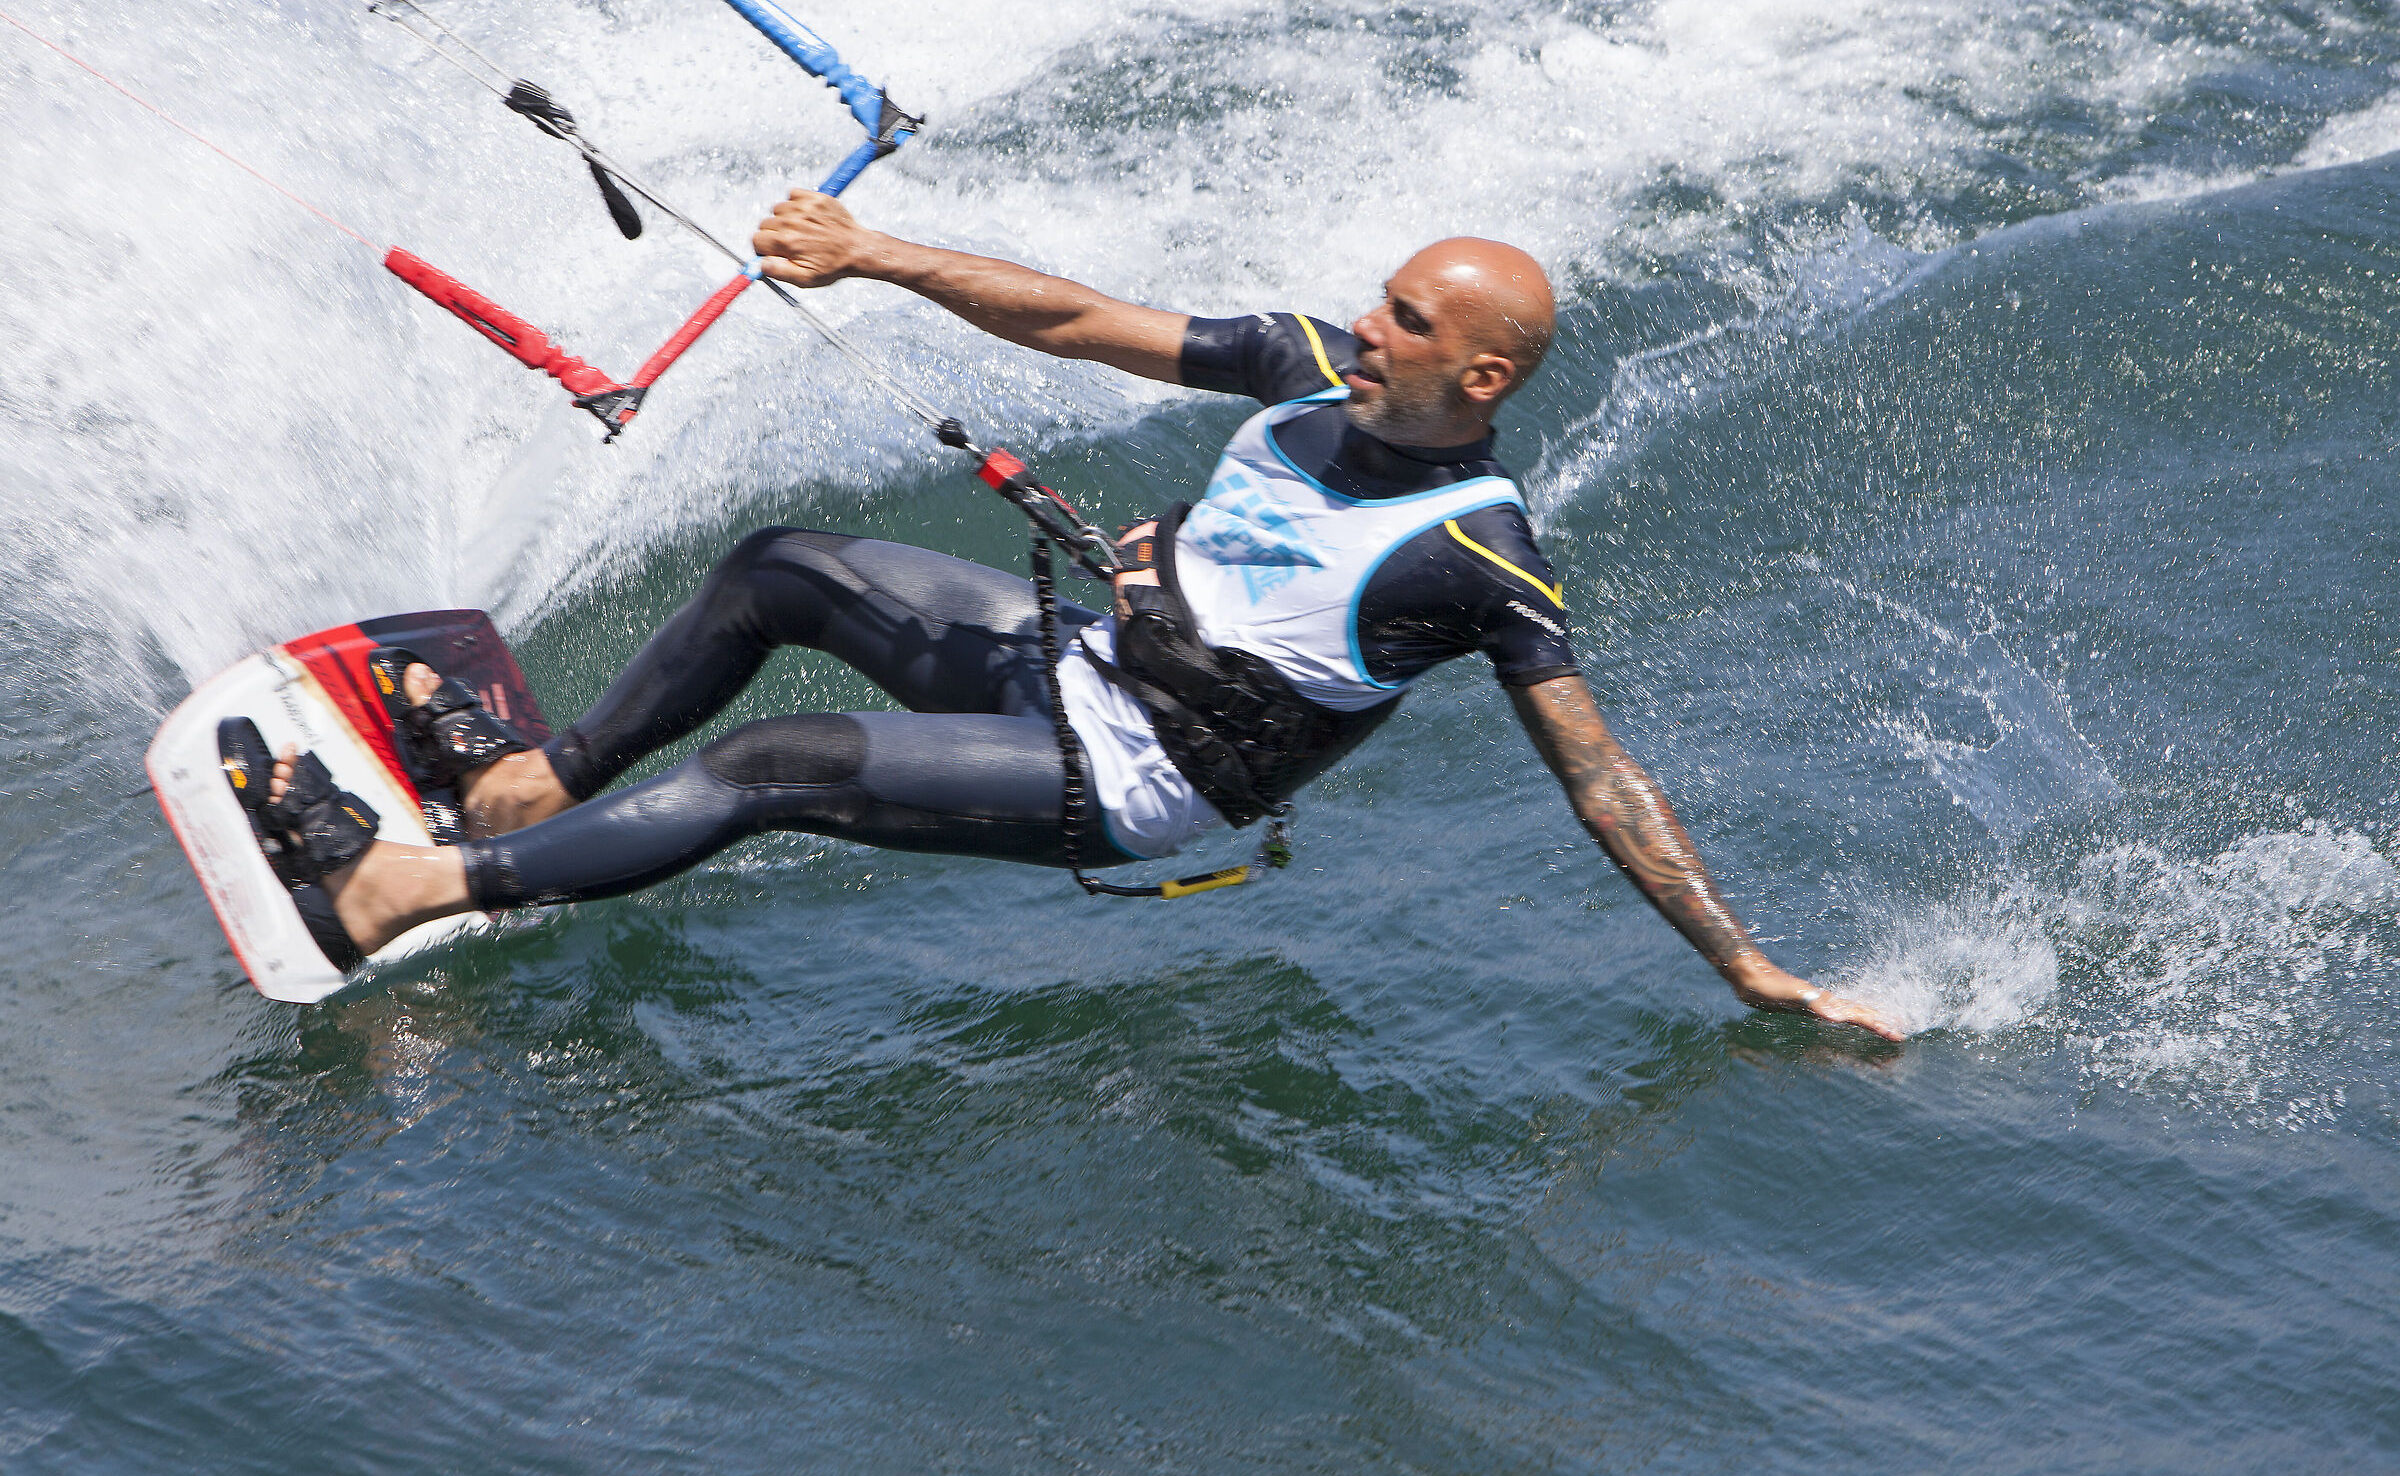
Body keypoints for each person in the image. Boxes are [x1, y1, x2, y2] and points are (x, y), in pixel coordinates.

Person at [220, 192, 1903, 1042]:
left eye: (1401, 320)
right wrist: (879, 254)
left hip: (1145, 780)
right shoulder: (1311, 370)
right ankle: (538, 789)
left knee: (778, 762)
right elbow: (1086, 318)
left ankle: (409, 888)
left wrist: (1752, 968)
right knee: (786, 566)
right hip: (1082, 663)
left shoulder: (1483, 555)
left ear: (1481, 375)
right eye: (1378, 302)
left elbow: (1598, 776)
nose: (1363, 326)